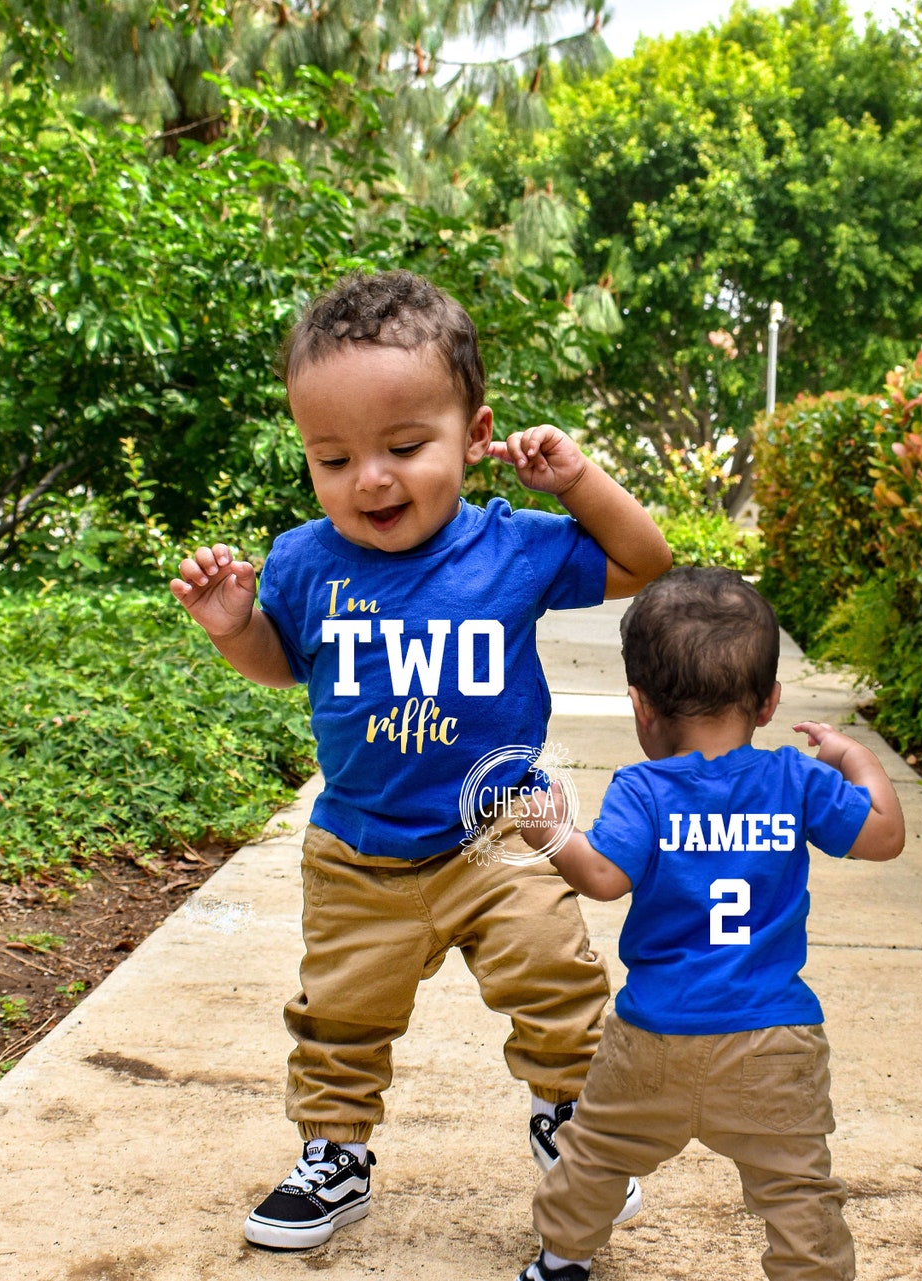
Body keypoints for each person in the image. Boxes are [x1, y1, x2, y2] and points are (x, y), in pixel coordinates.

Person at [170, 270, 672, 1250]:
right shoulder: (303, 563)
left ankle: (574, 1123)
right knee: (339, 1017)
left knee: (557, 985)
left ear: (475, 435)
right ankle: (336, 1154)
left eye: (405, 447)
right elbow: (287, 667)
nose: (370, 479)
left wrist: (577, 480)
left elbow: (644, 559)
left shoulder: (516, 547)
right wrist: (237, 630)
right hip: (359, 853)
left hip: (502, 836)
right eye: (333, 456)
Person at [512, 566, 905, 1281]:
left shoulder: (644, 788)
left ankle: (562, 1260)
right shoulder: (797, 779)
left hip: (655, 1034)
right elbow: (883, 833)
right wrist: (855, 758)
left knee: (595, 1153)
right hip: (774, 1040)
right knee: (797, 1187)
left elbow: (603, 877)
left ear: (641, 707)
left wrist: (552, 832)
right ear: (768, 704)